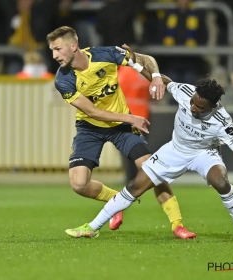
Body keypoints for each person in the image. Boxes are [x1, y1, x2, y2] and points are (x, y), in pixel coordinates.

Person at [65, 73, 233, 241]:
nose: (193, 108)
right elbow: (162, 79)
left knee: (220, 182)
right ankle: (92, 227)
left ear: (213, 106)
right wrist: (137, 62)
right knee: (135, 185)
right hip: (175, 150)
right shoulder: (187, 92)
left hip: (203, 153)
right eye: (193, 103)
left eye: (200, 107)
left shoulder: (223, 122)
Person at [48, 26, 196, 239]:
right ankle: (115, 199)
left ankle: (177, 225)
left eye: (58, 49)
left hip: (121, 128)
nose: (54, 55)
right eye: (52, 50)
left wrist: (155, 76)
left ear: (73, 45)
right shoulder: (63, 80)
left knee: (152, 169)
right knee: (79, 184)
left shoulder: (105, 54)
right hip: (90, 128)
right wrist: (130, 117)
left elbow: (146, 59)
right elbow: (92, 111)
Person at [118, 66, 150, 184]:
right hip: (144, 114)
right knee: (140, 149)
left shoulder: (124, 71)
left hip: (127, 114)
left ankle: (130, 178)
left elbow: (117, 90)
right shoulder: (145, 72)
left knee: (126, 149)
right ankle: (140, 177)